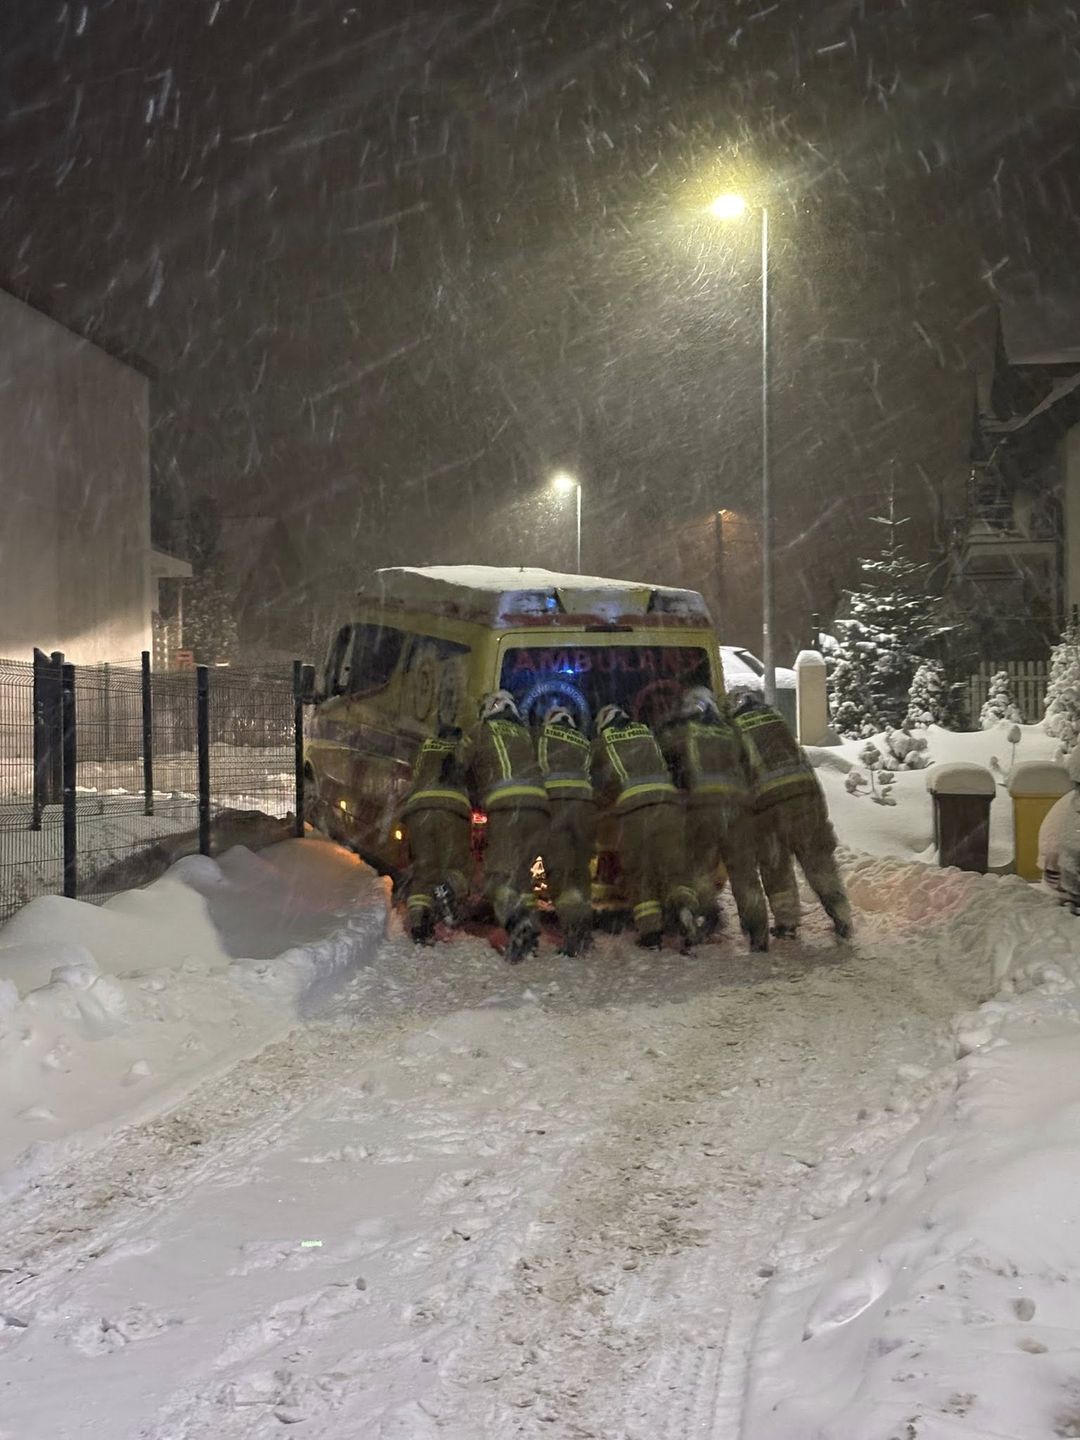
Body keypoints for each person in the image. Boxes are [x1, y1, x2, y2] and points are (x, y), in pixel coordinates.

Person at [731, 690, 853, 940]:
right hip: (805, 797)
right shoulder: (778, 720)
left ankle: (786, 922)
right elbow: (803, 762)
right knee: (817, 859)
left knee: (775, 865)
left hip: (767, 804)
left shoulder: (735, 729)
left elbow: (738, 775)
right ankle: (840, 913)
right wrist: (820, 812)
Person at [660, 686, 770, 951]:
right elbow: (750, 763)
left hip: (704, 807)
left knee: (699, 866)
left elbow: (660, 746)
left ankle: (706, 914)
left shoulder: (686, 731)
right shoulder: (731, 731)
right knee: (744, 873)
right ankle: (758, 933)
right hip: (738, 809)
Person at [590, 704, 699, 950]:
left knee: (642, 872)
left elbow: (600, 785)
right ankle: (684, 907)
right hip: (667, 806)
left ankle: (650, 932)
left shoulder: (600, 744)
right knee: (674, 867)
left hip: (634, 813)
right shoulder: (645, 733)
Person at [460, 690, 550, 962]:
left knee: (499, 876)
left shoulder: (481, 730)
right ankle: (528, 932)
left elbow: (460, 763)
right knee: (524, 877)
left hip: (507, 806)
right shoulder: (525, 734)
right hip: (540, 808)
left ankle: (516, 922)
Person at [399, 723, 472, 945]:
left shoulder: (427, 746)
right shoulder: (463, 748)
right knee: (458, 866)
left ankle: (419, 923)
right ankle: (447, 888)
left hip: (419, 810)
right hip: (452, 810)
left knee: (424, 870)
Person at [537, 703, 596, 956]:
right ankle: (584, 921)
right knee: (580, 868)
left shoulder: (543, 738)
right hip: (585, 809)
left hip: (556, 805)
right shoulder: (583, 742)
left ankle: (574, 929)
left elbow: (532, 769)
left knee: (560, 870)